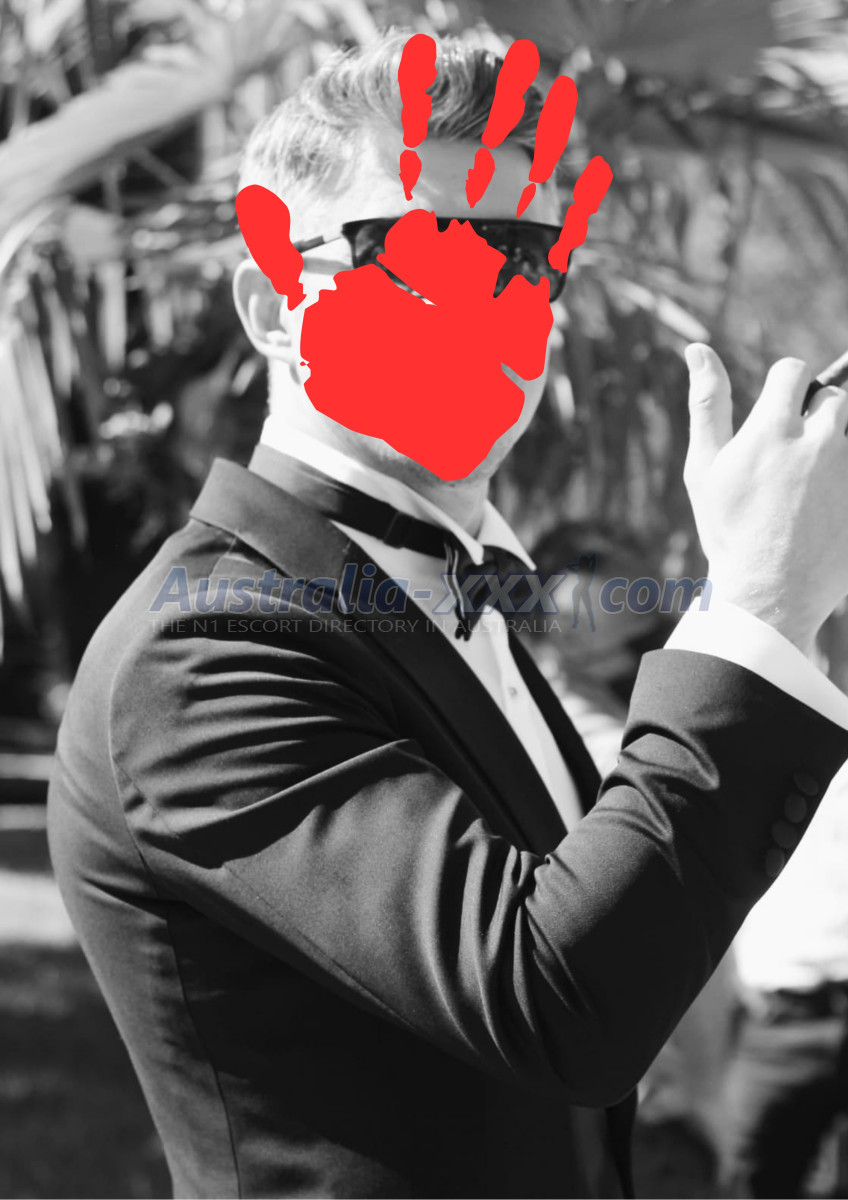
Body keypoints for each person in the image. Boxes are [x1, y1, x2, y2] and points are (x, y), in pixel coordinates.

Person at [47, 32, 848, 1199]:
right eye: (414, 252)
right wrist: (761, 603)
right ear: (272, 303)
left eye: (523, 256)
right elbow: (555, 999)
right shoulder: (202, 646)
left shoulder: (454, 593)